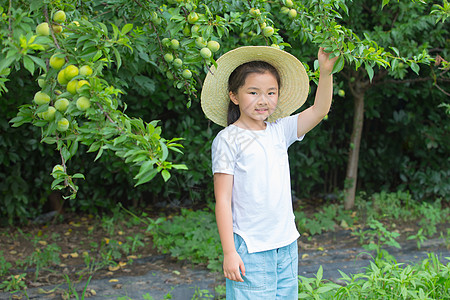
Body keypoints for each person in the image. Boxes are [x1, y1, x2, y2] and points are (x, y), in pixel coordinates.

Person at [200, 46, 338, 299]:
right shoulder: (228, 139)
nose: (263, 100)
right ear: (234, 96)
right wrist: (230, 252)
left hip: (285, 243)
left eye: (270, 92)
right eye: (253, 92)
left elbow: (319, 111)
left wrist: (326, 72)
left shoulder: (279, 130)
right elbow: (222, 200)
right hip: (250, 247)